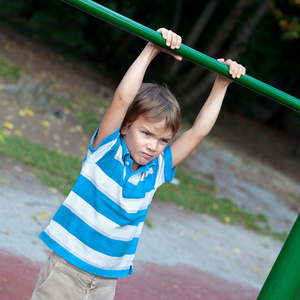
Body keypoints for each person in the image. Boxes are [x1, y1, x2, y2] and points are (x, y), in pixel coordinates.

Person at [31, 28, 246, 300]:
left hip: (106, 281)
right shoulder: (106, 150)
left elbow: (197, 133)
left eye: (163, 140)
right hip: (66, 270)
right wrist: (151, 49)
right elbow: (122, 99)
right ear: (126, 127)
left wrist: (221, 84)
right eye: (146, 133)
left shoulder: (155, 171)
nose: (153, 146)